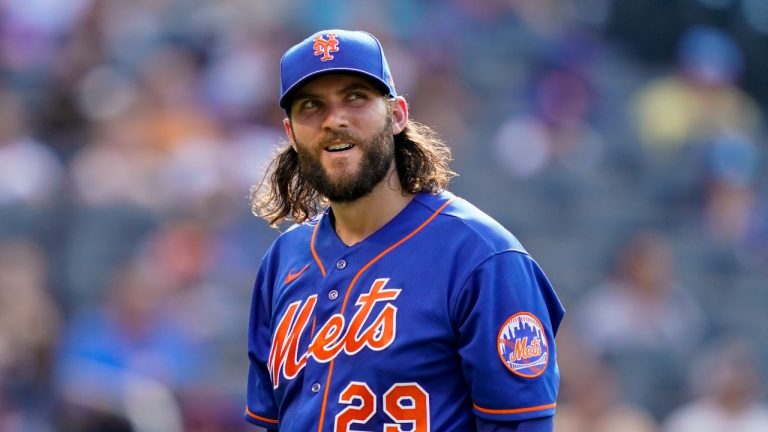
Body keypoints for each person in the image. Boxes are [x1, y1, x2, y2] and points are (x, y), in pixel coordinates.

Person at [244, 29, 565, 432]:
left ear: (397, 115)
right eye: (311, 106)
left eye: (356, 97)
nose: (335, 119)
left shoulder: (482, 257)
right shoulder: (282, 260)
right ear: (290, 133)